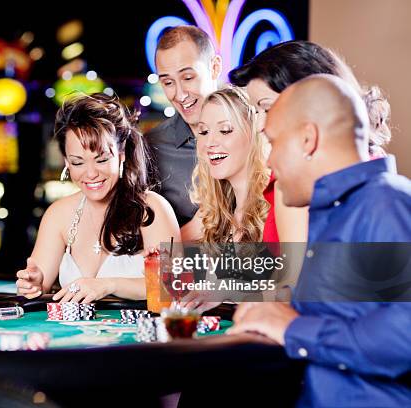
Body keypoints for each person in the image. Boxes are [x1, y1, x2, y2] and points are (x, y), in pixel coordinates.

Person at [228, 74, 411, 407]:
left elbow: (406, 334)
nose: (269, 160)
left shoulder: (385, 203)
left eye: (274, 141)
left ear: (307, 139)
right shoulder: (337, 213)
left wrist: (293, 327)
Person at [16, 93, 180, 303]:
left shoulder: (152, 208)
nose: (90, 173)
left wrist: (108, 285)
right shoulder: (58, 214)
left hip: (139, 335)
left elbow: (173, 287)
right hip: (77, 335)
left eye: (101, 159)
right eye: (77, 162)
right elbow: (36, 288)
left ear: (121, 155)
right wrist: (32, 285)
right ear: (66, 161)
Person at [229, 40, 392, 242]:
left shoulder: (299, 182)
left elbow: (296, 272)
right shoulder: (368, 162)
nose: (261, 124)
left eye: (268, 108)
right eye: (257, 111)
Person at [146, 25, 221, 230]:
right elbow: (145, 247)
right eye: (168, 82)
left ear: (215, 67)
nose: (180, 95)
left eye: (188, 78)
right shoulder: (152, 148)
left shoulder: (254, 132)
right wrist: (196, 230)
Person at [183, 86, 269, 244]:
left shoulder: (276, 205)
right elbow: (165, 255)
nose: (209, 143)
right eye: (203, 132)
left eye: (225, 130)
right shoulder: (211, 215)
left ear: (254, 134)